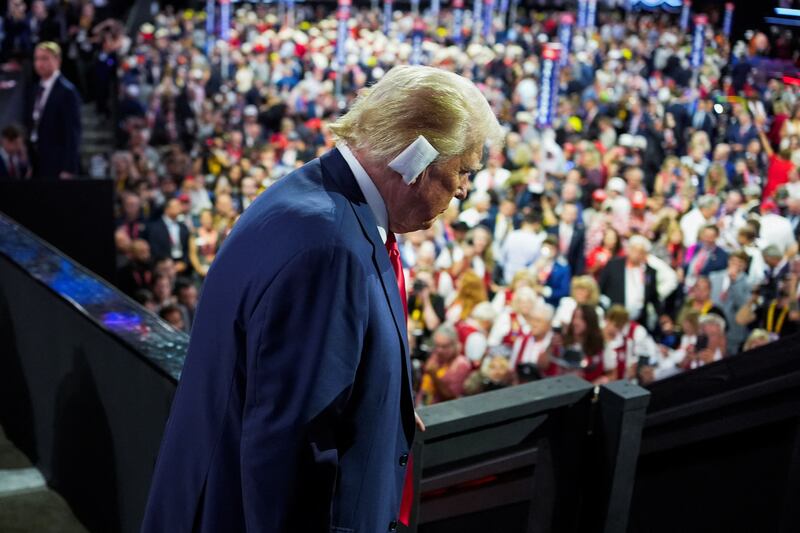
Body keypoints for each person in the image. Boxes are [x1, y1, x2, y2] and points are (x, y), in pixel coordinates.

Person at [141, 65, 502, 533]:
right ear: (418, 158)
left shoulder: (316, 199)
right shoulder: (330, 248)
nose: (463, 189)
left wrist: (379, 398)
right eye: (464, 170)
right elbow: (290, 449)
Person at [26, 42, 82, 179]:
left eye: (45, 58)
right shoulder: (34, 89)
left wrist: (69, 168)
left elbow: (73, 132)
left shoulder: (67, 91)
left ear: (57, 60)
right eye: (37, 59)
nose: (39, 63)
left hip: (58, 163)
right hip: (38, 160)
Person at [598, 235, 660, 331]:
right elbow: (601, 288)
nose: (637, 254)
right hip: (614, 319)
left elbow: (653, 296)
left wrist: (662, 315)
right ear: (629, 249)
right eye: (635, 250)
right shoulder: (613, 265)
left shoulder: (649, 272)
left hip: (637, 322)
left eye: (641, 252)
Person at [417, 325, 473, 405]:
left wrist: (434, 377)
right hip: (422, 405)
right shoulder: (435, 355)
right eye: (437, 345)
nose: (439, 350)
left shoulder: (461, 364)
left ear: (455, 345)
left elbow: (452, 397)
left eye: (444, 346)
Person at [146, 198, 191, 275]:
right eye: (176, 206)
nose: (179, 208)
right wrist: (168, 264)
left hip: (182, 266)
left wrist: (184, 263)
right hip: (163, 267)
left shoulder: (183, 227)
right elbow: (154, 248)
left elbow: (188, 248)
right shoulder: (155, 227)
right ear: (167, 209)